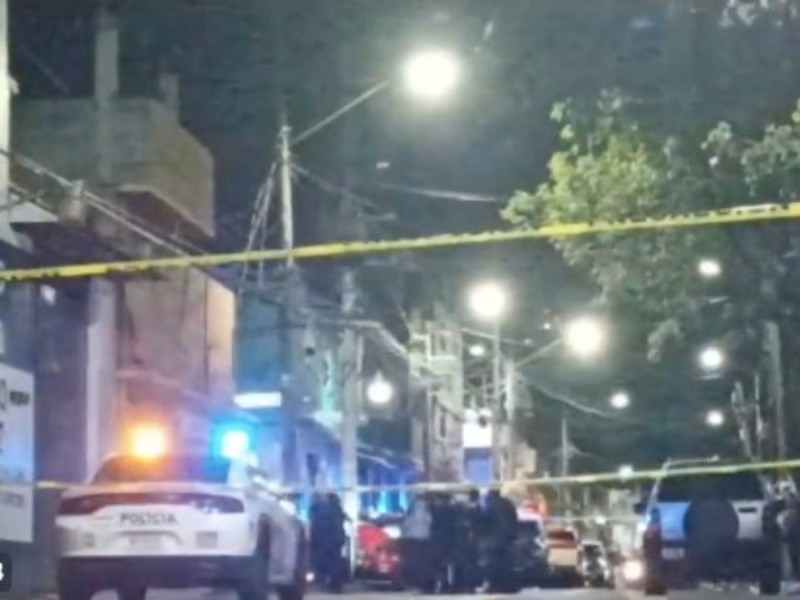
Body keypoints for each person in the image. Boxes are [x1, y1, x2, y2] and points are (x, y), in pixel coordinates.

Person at [483, 489, 519, 593]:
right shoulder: (508, 504)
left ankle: (494, 585)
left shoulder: (491, 505)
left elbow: (486, 520)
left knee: (493, 564)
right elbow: (515, 519)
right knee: (507, 564)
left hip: (494, 540)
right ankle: (508, 586)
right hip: (507, 539)